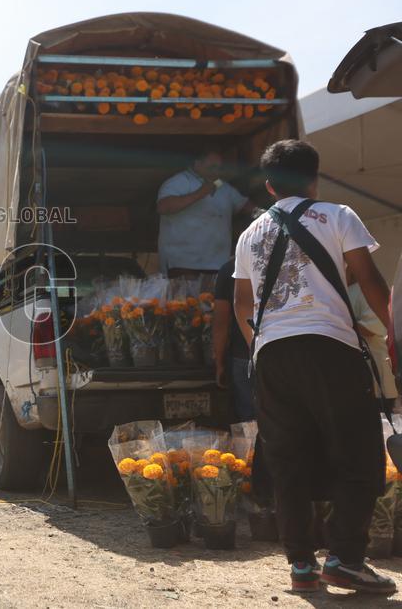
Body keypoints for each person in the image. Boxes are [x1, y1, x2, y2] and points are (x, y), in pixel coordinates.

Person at [233, 139, 396, 594]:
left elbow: (242, 302)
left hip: (272, 357)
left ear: (268, 186)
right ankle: (344, 558)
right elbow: (368, 278)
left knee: (288, 461)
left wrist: (262, 347)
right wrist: (396, 334)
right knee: (359, 455)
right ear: (314, 178)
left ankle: (301, 566)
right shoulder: (339, 216)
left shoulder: (250, 235)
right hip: (329, 349)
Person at [157, 149, 256, 277]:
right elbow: (163, 207)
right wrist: (201, 192)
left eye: (219, 168)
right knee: (183, 297)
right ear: (197, 164)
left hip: (217, 263)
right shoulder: (179, 182)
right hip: (182, 264)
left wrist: (268, 215)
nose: (217, 171)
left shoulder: (223, 186)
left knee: (211, 297)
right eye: (212, 167)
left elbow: (245, 206)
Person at [347, 266, 399, 414]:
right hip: (354, 377)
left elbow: (372, 327)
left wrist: (337, 323)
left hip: (376, 376)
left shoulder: (366, 291)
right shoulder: (341, 291)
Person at [212, 256, 254, 422]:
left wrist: (219, 364)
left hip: (243, 355)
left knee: (249, 421)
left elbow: (221, 322)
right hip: (275, 351)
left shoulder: (229, 269)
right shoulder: (284, 262)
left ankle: (252, 448)